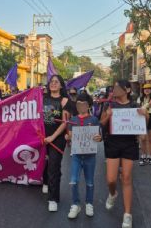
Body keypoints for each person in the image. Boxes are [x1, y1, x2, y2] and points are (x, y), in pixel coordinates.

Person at [100, 80, 148, 228]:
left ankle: (127, 214)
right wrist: (107, 116)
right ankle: (113, 194)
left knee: (126, 178)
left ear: (127, 90)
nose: (114, 90)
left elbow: (144, 124)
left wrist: (145, 115)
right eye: (114, 87)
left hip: (129, 144)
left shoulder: (135, 106)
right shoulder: (109, 105)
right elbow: (101, 123)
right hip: (112, 143)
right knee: (111, 180)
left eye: (117, 87)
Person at [65, 93, 102, 218]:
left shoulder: (94, 120)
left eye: (84, 104)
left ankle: (89, 203)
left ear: (89, 105)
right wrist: (68, 137)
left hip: (90, 156)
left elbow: (99, 137)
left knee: (90, 182)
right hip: (76, 155)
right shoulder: (73, 119)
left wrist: (98, 138)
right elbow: (69, 135)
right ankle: (76, 204)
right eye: (79, 104)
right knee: (73, 181)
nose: (81, 106)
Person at [42, 74, 71, 212]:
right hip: (42, 136)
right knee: (44, 162)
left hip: (57, 138)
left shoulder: (65, 101)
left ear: (61, 85)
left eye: (56, 82)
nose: (53, 83)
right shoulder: (42, 99)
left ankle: (53, 198)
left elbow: (65, 123)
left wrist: (52, 137)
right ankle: (45, 181)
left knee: (54, 165)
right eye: (51, 81)